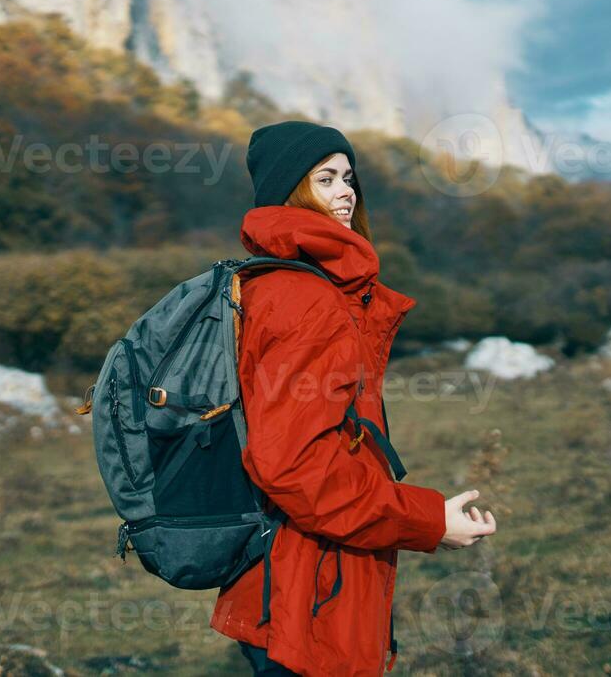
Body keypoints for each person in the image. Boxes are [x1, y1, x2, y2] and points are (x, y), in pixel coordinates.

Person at [210, 120, 497, 677]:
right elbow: (297, 467)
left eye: (349, 177)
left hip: (286, 576)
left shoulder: (267, 284)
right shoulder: (307, 300)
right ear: (290, 191)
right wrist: (429, 520)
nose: (347, 191)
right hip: (309, 590)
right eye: (326, 179)